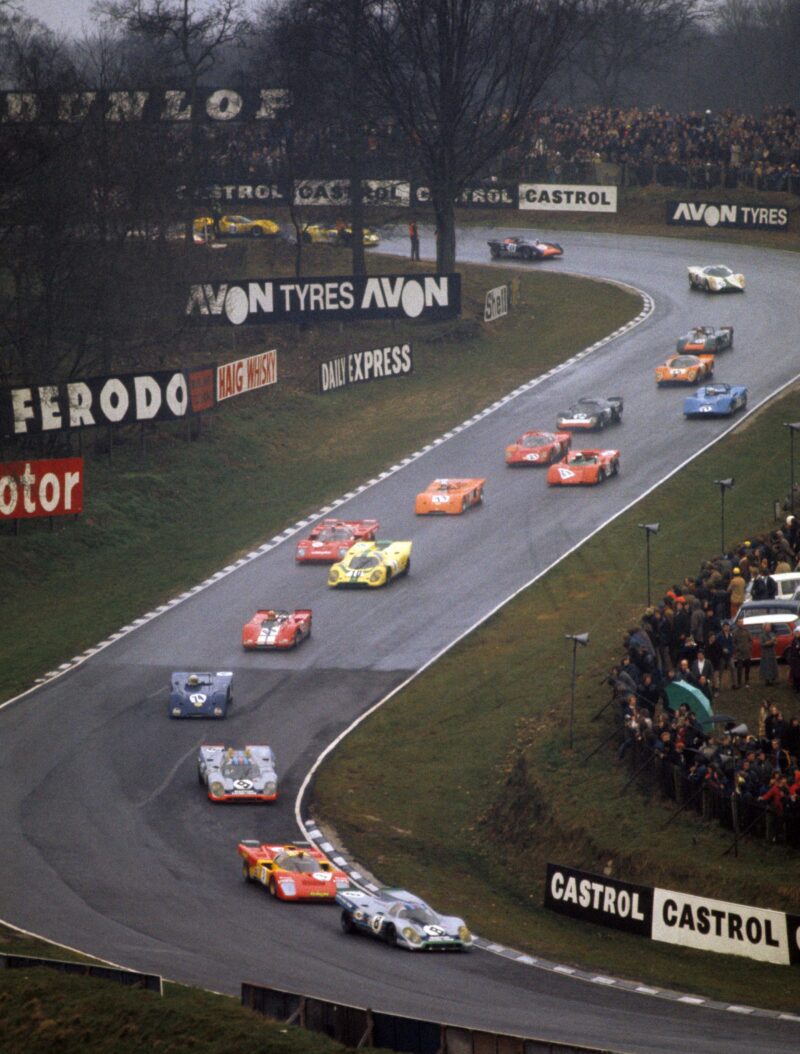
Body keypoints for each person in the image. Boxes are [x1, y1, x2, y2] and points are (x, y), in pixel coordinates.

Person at [732, 620, 753, 689]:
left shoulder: (747, 631)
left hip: (747, 653)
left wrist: (749, 646)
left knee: (747, 668)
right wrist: (737, 648)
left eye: (742, 622)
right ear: (737, 623)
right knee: (739, 668)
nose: (741, 624)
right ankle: (739, 683)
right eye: (739, 622)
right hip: (739, 654)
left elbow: (750, 640)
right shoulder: (735, 632)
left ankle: (747, 681)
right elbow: (733, 642)